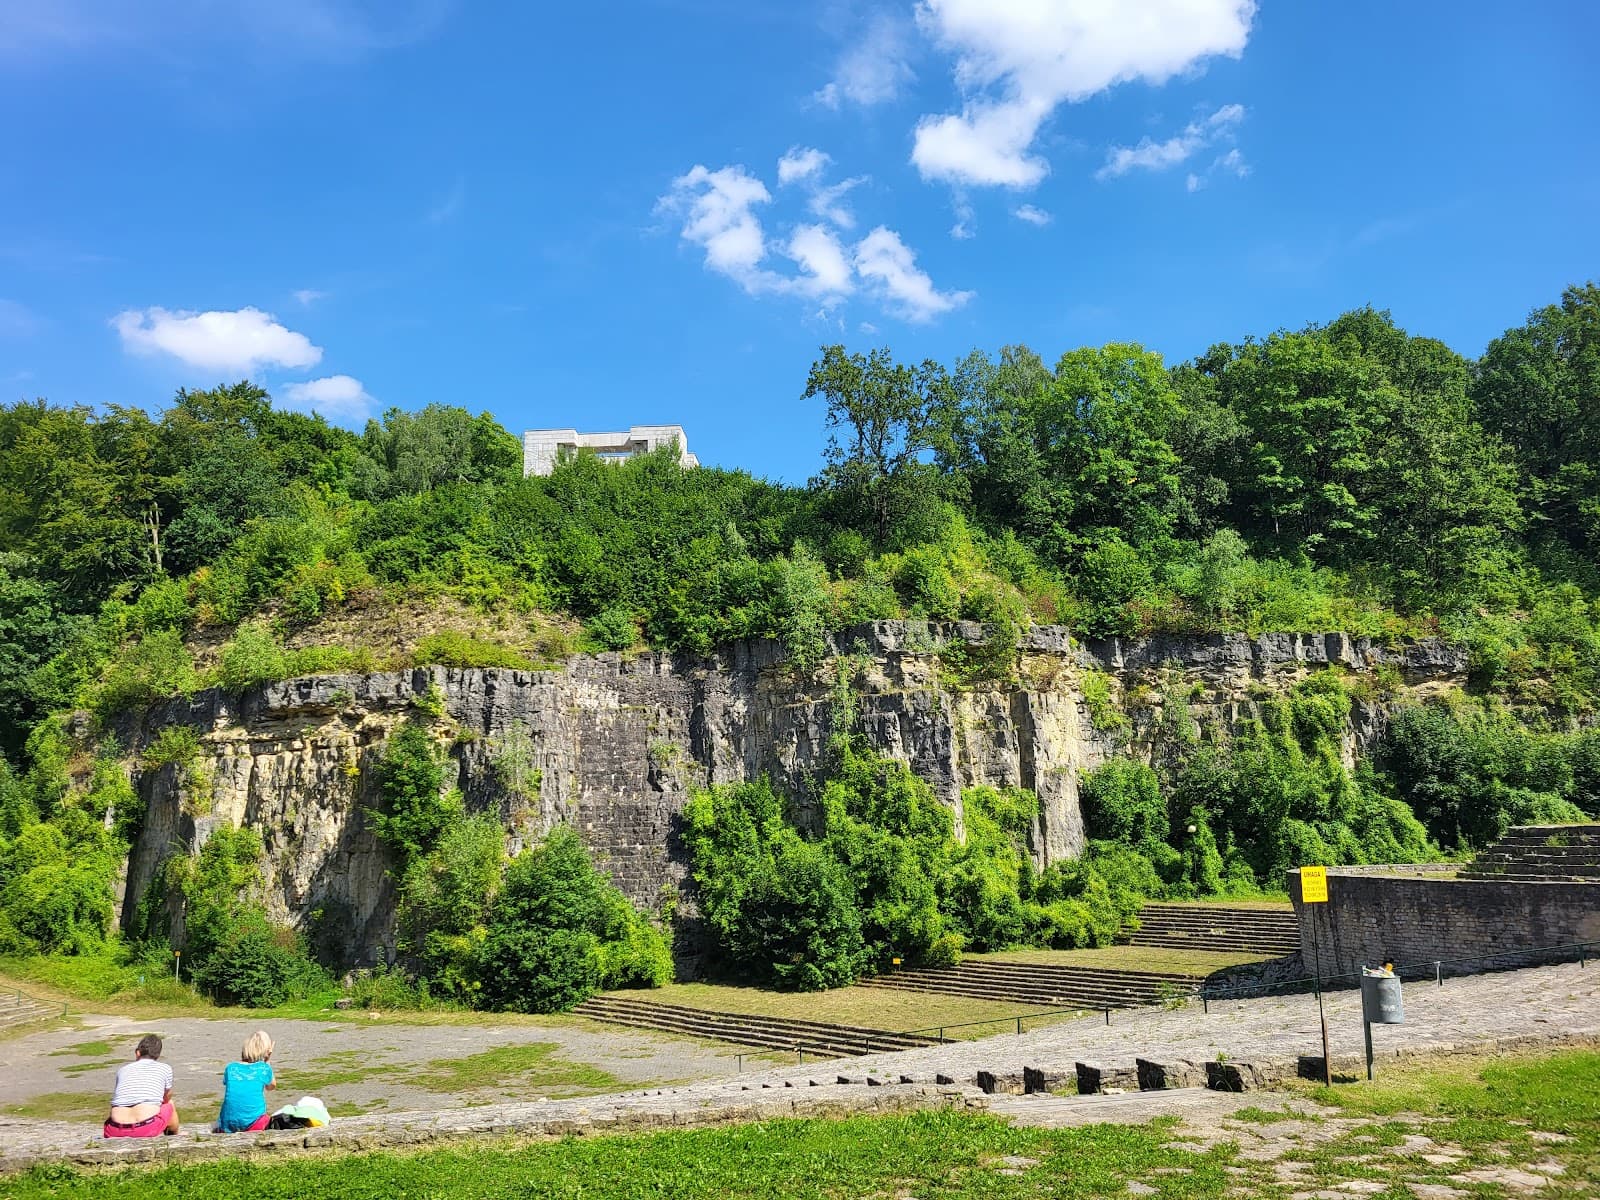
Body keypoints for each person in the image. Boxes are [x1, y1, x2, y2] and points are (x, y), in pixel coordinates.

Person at [104, 1034, 180, 1138]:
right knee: (169, 1104)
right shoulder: (165, 1068)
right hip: (145, 1128)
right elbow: (166, 1098)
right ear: (157, 1055)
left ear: (137, 1052)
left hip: (114, 1129)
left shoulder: (122, 1070)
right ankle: (173, 1137)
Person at [216, 1030, 277, 1133]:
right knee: (268, 1119)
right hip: (254, 1122)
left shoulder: (231, 1068)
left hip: (227, 1122)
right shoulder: (263, 1068)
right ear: (266, 1051)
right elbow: (271, 1086)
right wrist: (267, 1061)